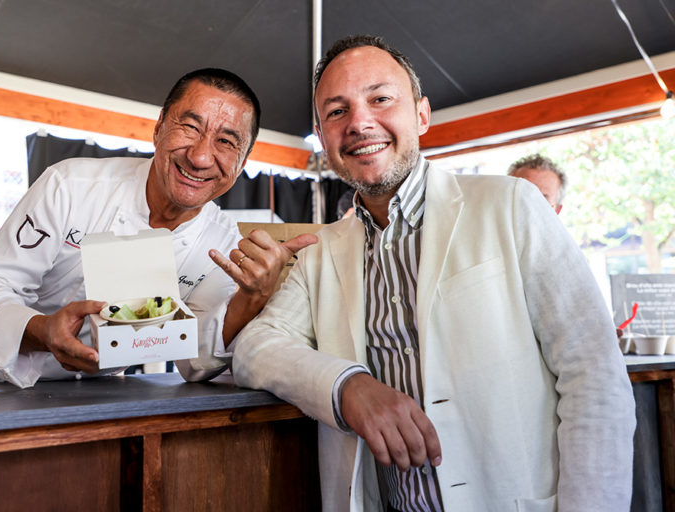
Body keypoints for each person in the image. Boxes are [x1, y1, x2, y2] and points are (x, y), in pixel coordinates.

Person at [232, 35, 635, 511]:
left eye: (380, 99)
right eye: (337, 111)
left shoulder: (510, 205)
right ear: (323, 138)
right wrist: (348, 387)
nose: (359, 122)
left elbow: (593, 376)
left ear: (422, 114)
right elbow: (255, 348)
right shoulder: (321, 251)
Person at [0, 67, 316, 388]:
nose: (201, 156)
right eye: (189, 127)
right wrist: (43, 331)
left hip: (94, 399)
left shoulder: (221, 241)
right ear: (159, 128)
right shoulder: (70, 185)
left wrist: (252, 297)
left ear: (242, 162)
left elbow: (195, 360)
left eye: (226, 141)